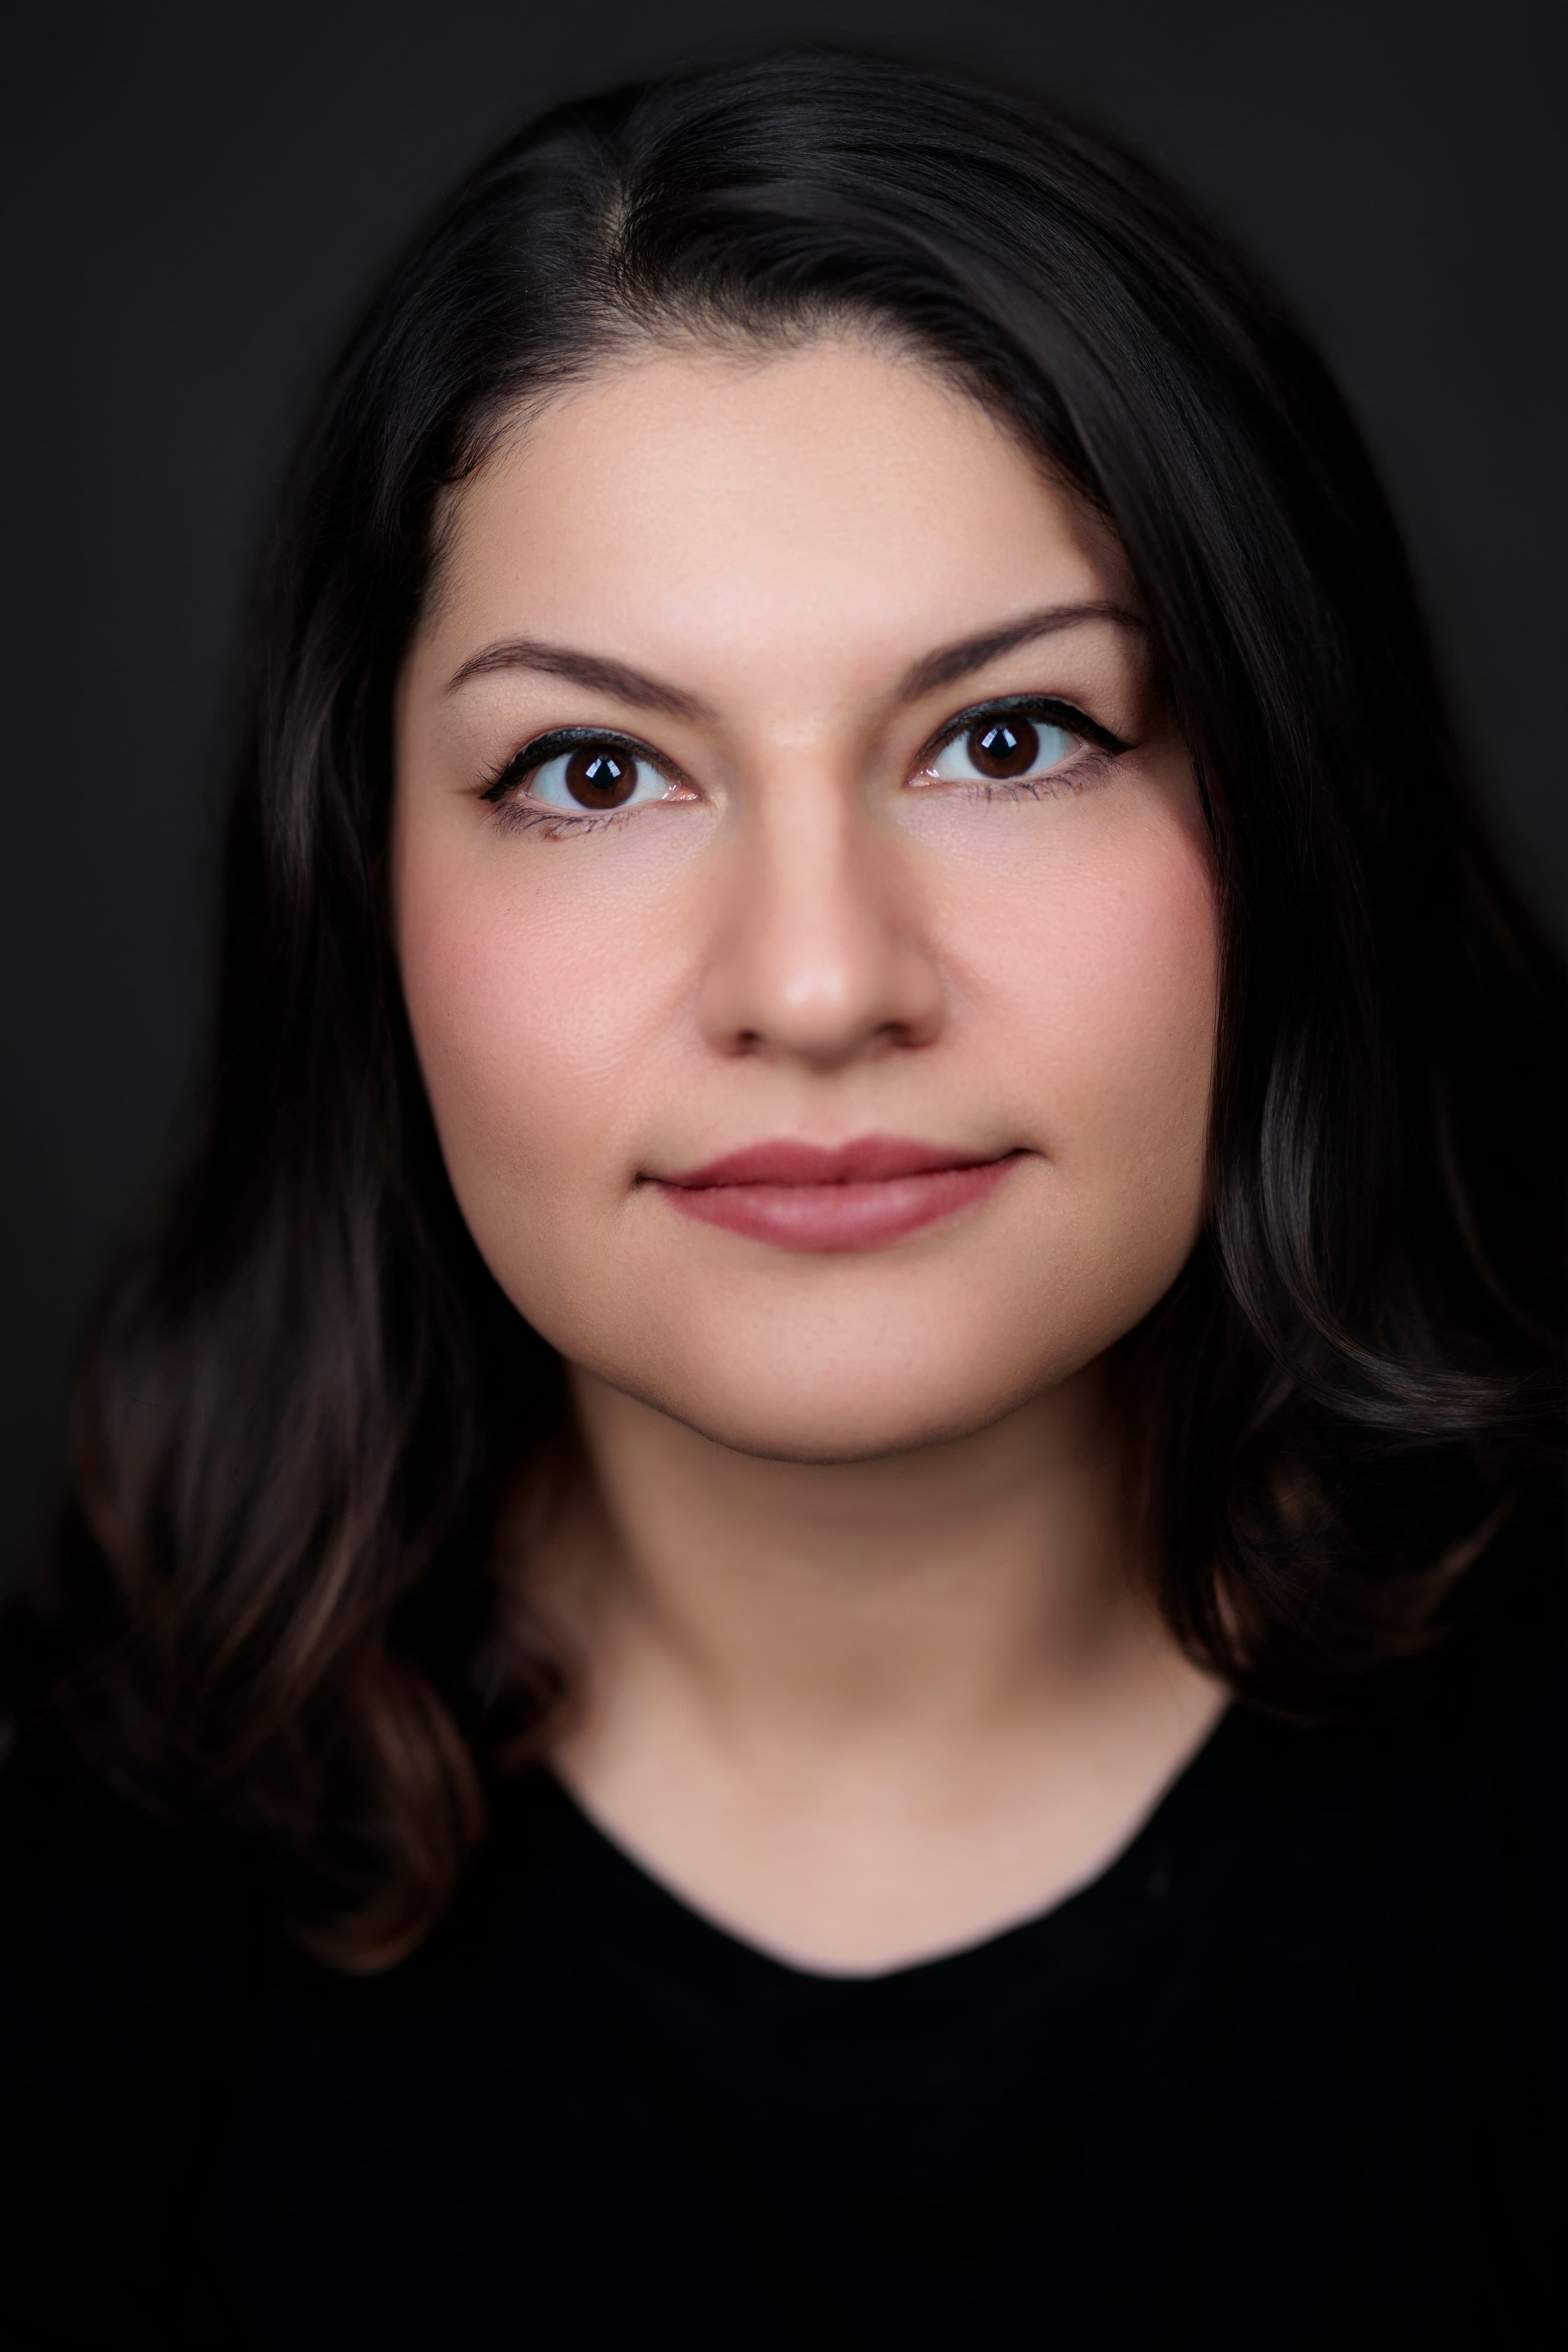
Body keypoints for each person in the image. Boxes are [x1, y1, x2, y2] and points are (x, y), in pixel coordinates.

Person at [1, 46, 1562, 2352]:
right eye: (597, 769)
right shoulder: (88, 1898)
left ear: (1293, 814)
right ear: (363, 899)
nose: (818, 983)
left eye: (1008, 737)